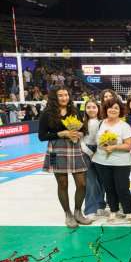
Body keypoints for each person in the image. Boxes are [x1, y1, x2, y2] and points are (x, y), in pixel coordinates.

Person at [38, 86, 92, 228]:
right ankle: (68, 214)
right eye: (60, 95)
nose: (64, 98)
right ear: (55, 97)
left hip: (74, 147)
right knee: (62, 184)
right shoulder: (47, 114)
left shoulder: (75, 111)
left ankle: (78, 212)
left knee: (82, 183)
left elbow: (83, 130)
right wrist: (60, 134)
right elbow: (41, 136)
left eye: (66, 95)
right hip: (56, 150)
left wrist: (79, 134)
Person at [92, 98, 131, 223]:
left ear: (120, 110)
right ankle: (113, 210)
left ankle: (128, 211)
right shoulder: (100, 123)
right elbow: (95, 141)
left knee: (122, 188)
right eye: (110, 107)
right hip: (102, 162)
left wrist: (114, 147)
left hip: (121, 163)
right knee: (109, 188)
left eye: (116, 108)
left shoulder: (124, 126)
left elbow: (128, 146)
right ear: (105, 109)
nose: (113, 110)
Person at [81, 98, 107, 220]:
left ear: (98, 109)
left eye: (94, 107)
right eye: (88, 107)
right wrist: (89, 152)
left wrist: (98, 151)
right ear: (85, 109)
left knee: (102, 180)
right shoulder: (81, 122)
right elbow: (79, 140)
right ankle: (90, 208)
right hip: (86, 152)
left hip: (100, 150)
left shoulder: (103, 122)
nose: (91, 109)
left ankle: (101, 204)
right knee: (90, 181)